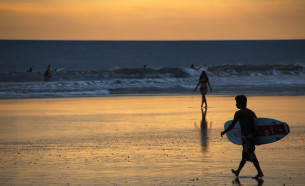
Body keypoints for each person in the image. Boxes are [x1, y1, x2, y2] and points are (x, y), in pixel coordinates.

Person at [221, 95, 264, 179]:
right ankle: (238, 171)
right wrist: (258, 138)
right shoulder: (251, 112)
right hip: (251, 137)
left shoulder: (238, 113)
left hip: (245, 137)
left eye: (237, 102)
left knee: (249, 155)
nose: (236, 104)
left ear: (240, 103)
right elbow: (257, 124)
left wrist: (224, 131)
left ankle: (259, 172)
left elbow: (232, 125)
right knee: (246, 155)